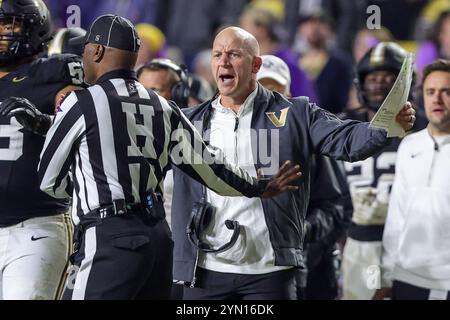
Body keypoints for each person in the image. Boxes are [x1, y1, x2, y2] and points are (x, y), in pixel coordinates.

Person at [36, 14, 300, 300]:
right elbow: (213, 170)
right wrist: (260, 187)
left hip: (109, 236)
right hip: (159, 241)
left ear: (97, 51)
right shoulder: (164, 106)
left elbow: (50, 180)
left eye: (85, 51)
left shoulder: (81, 102)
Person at [170, 26, 416, 300]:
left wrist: (382, 128)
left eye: (234, 54)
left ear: (255, 65)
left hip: (269, 271)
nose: (223, 61)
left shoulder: (295, 114)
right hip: (205, 270)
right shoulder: (189, 122)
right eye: (217, 54)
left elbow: (346, 138)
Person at [0, 0, 83, 300]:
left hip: (35, 226)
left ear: (34, 28)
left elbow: (87, 117)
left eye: (10, 24)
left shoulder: (56, 71)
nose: (2, 31)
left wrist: (49, 120)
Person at [257, 54, 353, 300]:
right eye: (262, 92)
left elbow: (337, 206)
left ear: (289, 95)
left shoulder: (310, 139)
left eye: (277, 92)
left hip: (309, 271)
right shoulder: (231, 139)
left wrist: (305, 229)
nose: (270, 101)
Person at [339, 42, 414, 300]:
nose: (378, 84)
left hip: (410, 243)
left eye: (387, 77)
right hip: (355, 241)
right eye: (372, 77)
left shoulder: (424, 128)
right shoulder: (342, 126)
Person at [375, 59, 450, 300]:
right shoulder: (408, 145)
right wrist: (386, 275)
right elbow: (397, 215)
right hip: (407, 276)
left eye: (446, 91)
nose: (437, 99)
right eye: (431, 92)